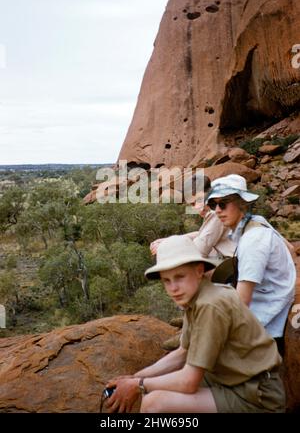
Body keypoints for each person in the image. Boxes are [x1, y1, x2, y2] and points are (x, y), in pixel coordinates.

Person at [104, 235, 285, 413]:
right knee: (154, 389)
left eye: (180, 277)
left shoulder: (210, 305)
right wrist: (135, 378)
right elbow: (183, 353)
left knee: (154, 403)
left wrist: (137, 385)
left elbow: (189, 382)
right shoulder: (198, 297)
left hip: (255, 396)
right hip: (230, 380)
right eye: (166, 280)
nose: (173, 288)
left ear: (199, 270)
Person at [206, 174, 296, 354]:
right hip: (268, 303)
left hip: (265, 322)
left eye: (223, 203)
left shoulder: (253, 240)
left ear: (242, 204)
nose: (217, 210)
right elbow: (291, 249)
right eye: (213, 204)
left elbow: (242, 302)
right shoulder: (256, 223)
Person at [150, 175, 235, 259]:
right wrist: (170, 240)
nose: (198, 208)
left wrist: (168, 246)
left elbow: (198, 252)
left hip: (234, 264)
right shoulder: (217, 210)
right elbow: (202, 234)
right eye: (193, 204)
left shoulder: (216, 213)